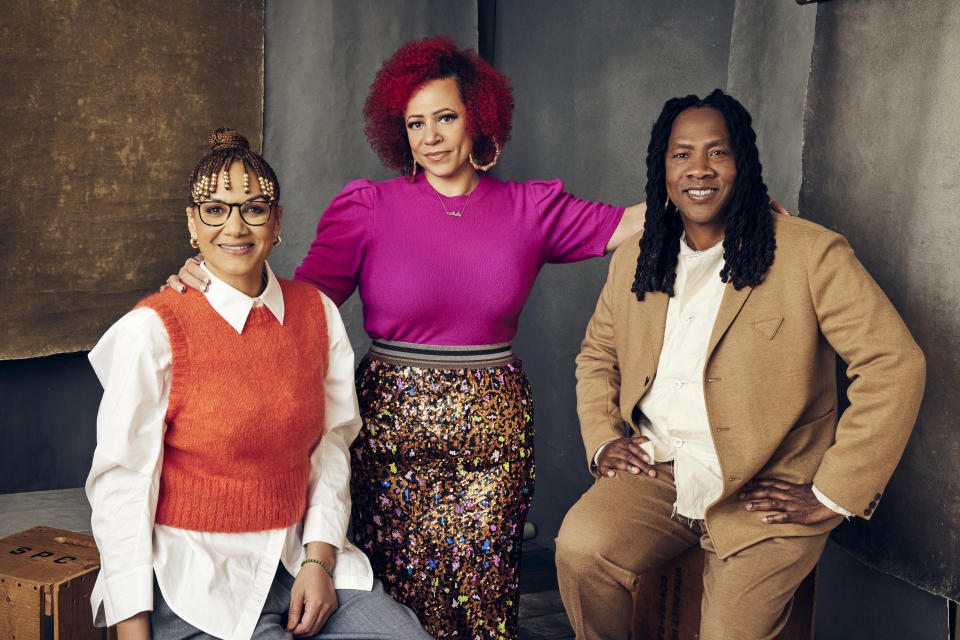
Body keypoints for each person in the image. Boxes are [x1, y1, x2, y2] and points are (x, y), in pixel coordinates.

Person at [555, 89, 926, 640]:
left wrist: (833, 494)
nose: (698, 169)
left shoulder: (810, 253)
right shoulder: (637, 256)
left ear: (743, 164)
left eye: (717, 153)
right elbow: (598, 356)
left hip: (766, 485)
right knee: (581, 549)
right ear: (662, 167)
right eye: (681, 154)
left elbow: (894, 363)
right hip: (658, 469)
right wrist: (605, 439)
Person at [86, 128, 431, 640]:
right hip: (197, 582)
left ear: (277, 222)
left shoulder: (317, 314)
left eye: (253, 208)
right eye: (215, 209)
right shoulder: (153, 329)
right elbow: (123, 487)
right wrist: (133, 632)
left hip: (299, 561)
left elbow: (331, 447)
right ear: (192, 223)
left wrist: (320, 562)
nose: (235, 226)